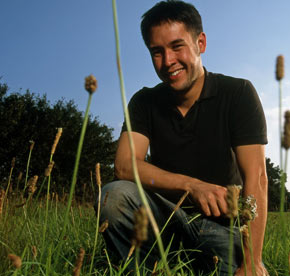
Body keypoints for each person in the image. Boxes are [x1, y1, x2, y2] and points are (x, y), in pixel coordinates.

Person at [99, 1, 268, 275]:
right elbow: (125, 166)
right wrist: (192, 186)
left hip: (222, 227)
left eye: (177, 46)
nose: (168, 62)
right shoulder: (144, 102)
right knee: (114, 196)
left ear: (200, 42)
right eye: (157, 52)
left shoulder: (238, 93)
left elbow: (257, 178)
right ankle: (143, 269)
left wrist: (252, 261)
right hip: (165, 221)